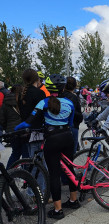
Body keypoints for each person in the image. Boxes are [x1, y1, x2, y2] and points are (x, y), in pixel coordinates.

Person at [15, 74, 79, 219]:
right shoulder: (69, 102)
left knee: (54, 174)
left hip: (52, 139)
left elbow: (28, 122)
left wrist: (15, 129)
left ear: (48, 88)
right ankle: (74, 200)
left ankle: (58, 210)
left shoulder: (43, 102)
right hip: (67, 137)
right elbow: (70, 122)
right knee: (69, 169)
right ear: (63, 87)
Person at [0, 84, 28, 169]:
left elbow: (2, 119)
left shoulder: (5, 102)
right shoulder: (24, 101)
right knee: (25, 154)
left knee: (15, 153)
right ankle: (26, 175)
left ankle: (9, 173)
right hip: (23, 131)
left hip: (11, 131)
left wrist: (7, 128)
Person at [60, 77, 83, 154]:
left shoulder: (60, 96)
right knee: (71, 153)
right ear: (74, 86)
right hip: (72, 125)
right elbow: (77, 113)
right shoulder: (74, 97)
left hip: (60, 125)